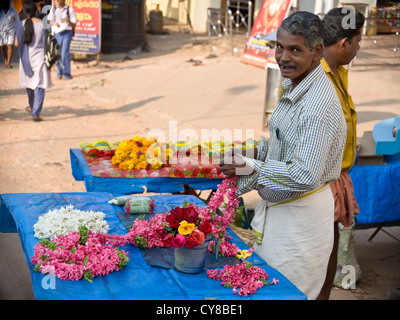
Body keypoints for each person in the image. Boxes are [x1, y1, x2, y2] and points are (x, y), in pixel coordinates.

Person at [219, 11, 347, 300]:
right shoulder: (295, 83)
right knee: (268, 289)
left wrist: (252, 166)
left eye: (294, 50)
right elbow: (280, 142)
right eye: (279, 46)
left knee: (286, 293)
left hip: (301, 220)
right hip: (283, 213)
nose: (283, 56)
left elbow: (304, 174)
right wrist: (249, 155)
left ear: (316, 52)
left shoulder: (315, 105)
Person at [316, 7, 365, 300]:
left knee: (330, 252)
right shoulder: (318, 79)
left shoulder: (338, 73)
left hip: (336, 178)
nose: (359, 48)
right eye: (357, 41)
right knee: (321, 255)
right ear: (343, 42)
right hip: (321, 183)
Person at [14, 0, 51, 122]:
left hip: (26, 59)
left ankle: (31, 106)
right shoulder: (43, 24)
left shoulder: (20, 25)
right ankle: (36, 113)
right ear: (36, 11)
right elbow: (49, 39)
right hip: (39, 58)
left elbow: (16, 44)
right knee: (39, 85)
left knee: (29, 84)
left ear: (24, 11)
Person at [47, 0, 75, 80]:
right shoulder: (54, 10)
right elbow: (49, 21)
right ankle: (59, 73)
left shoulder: (70, 10)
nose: (58, 1)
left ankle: (67, 73)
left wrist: (68, 20)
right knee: (57, 53)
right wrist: (54, 23)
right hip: (57, 34)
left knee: (64, 53)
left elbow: (74, 25)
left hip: (67, 33)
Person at [0, 0, 19, 68]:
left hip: (11, 31)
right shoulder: (0, 10)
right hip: (1, 31)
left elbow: (17, 21)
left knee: (10, 46)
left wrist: (17, 34)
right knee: (2, 47)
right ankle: (6, 59)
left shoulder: (14, 11)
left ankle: (8, 62)